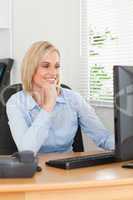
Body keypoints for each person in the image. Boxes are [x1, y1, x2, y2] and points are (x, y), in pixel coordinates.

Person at [6, 41, 114, 154]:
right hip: (35, 167)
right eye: (45, 66)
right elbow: (26, 151)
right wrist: (49, 105)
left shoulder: (74, 99)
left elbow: (104, 137)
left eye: (56, 66)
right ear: (31, 68)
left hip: (67, 167)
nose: (53, 73)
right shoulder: (15, 102)